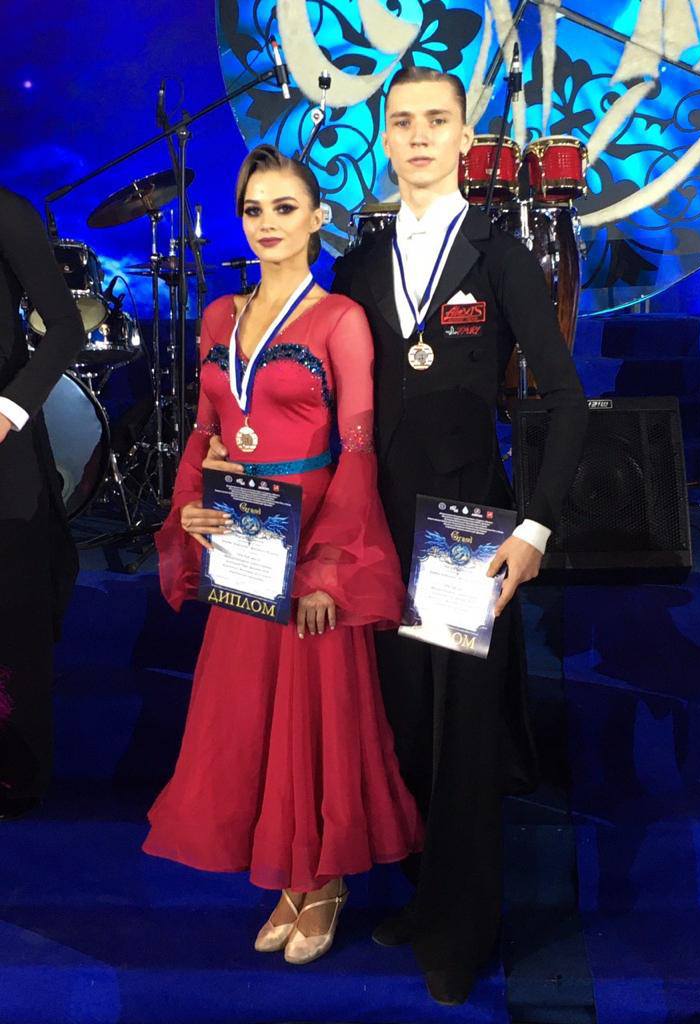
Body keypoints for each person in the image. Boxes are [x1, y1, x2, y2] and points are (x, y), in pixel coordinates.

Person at [207, 70, 588, 1003]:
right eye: (403, 120)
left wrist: (535, 527)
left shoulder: (500, 251)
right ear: (384, 136)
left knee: (465, 737)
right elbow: (322, 401)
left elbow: (565, 400)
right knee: (406, 725)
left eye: (437, 121)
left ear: (464, 136)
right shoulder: (361, 261)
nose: (419, 136)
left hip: (466, 531)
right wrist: (237, 452)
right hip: (374, 532)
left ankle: (462, 931)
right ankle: (426, 898)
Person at [143, 145, 423, 965]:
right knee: (252, 716)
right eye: (254, 210)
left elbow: (358, 453)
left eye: (284, 208)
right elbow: (204, 431)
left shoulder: (340, 320)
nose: (267, 224)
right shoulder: (217, 319)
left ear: (317, 218)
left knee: (315, 717)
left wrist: (330, 567)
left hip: (313, 539)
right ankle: (286, 878)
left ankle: (322, 881)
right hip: (241, 543)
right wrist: (190, 506)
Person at [0, 187, 83, 821]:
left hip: (3, 447)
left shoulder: (7, 210)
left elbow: (66, 328)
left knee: (13, 617)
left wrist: (8, 410)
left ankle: (14, 775)